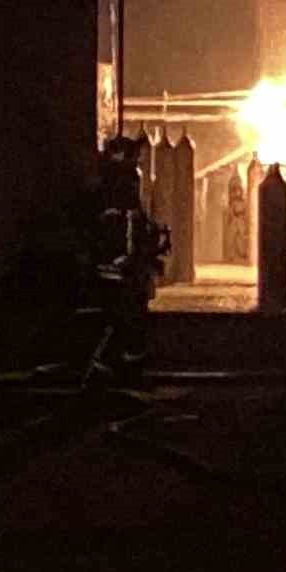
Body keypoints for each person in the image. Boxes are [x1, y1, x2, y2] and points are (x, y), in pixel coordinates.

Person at [80, 134, 168, 389]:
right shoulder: (114, 189)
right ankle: (118, 362)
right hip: (114, 265)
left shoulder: (118, 186)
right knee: (125, 309)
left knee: (130, 308)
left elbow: (136, 219)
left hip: (122, 263)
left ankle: (121, 360)